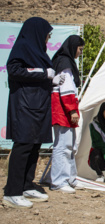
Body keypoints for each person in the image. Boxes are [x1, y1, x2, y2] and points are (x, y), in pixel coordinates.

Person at [3, 17, 55, 208]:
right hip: (25, 106)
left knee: (34, 145)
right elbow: (14, 70)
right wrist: (43, 74)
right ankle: (12, 191)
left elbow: (39, 73)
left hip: (38, 105)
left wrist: (51, 80)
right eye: (47, 35)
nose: (48, 39)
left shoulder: (38, 51)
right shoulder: (23, 46)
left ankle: (26, 185)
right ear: (37, 33)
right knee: (23, 145)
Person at [50, 35, 85, 194]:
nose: (80, 53)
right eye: (80, 49)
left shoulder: (63, 61)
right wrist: (72, 110)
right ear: (73, 47)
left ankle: (70, 178)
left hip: (65, 110)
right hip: (63, 111)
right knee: (62, 146)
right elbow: (66, 89)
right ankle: (59, 181)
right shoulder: (65, 63)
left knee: (69, 146)